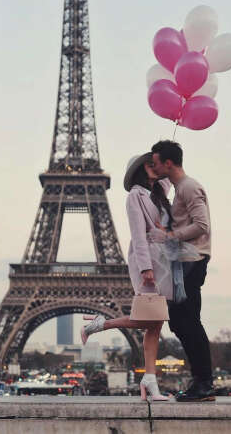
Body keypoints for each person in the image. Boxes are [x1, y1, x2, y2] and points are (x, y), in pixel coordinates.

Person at [80, 152, 172, 401]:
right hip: (149, 262)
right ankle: (102, 324)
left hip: (166, 260)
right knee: (150, 318)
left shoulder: (160, 192)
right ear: (142, 170)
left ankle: (150, 380)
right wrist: (145, 268)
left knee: (155, 322)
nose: (156, 167)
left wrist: (169, 149)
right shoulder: (135, 197)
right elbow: (138, 234)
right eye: (151, 164)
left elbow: (171, 173)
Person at [149, 140, 215, 402]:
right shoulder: (180, 189)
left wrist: (171, 235)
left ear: (168, 163)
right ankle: (202, 382)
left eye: (156, 163)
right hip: (185, 261)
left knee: (187, 322)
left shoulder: (189, 187)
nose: (153, 167)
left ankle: (204, 382)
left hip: (193, 261)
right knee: (181, 322)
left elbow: (202, 224)